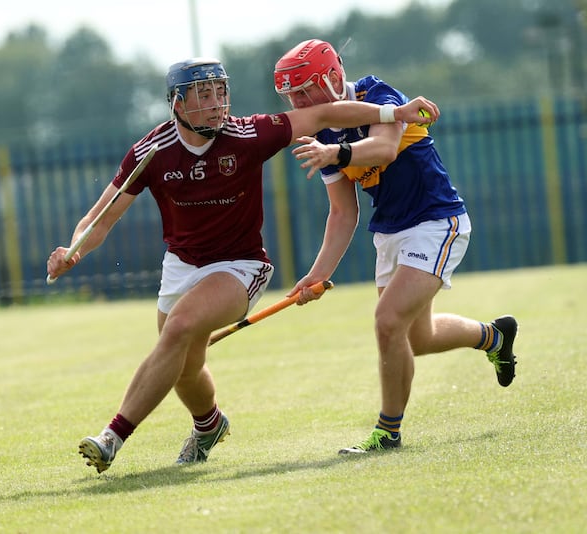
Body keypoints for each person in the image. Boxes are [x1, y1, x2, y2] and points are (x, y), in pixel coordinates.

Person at [47, 57, 439, 473]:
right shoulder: (152, 151)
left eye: (221, 91)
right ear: (177, 102)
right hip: (182, 265)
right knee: (184, 362)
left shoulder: (249, 133)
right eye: (204, 94)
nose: (217, 103)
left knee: (179, 330)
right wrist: (73, 250)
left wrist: (393, 113)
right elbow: (101, 217)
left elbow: (323, 113)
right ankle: (209, 424)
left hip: (240, 266)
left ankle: (112, 436)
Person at [273, 39, 518, 454]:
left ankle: (388, 432)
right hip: (389, 233)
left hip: (436, 221)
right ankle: (493, 337)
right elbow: (342, 213)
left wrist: (335, 152)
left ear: (333, 77)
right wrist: (318, 274)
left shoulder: (379, 96)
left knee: (388, 322)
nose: (298, 103)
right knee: (415, 338)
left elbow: (384, 150)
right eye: (290, 95)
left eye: (304, 90)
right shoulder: (320, 131)